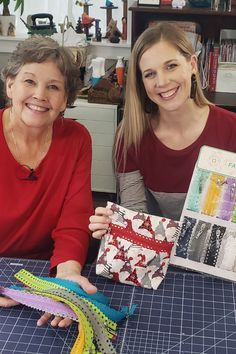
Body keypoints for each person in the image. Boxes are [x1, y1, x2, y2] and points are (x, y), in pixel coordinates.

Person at [89, 22, 236, 239]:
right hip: (153, 256)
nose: (162, 82)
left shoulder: (231, 128)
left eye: (171, 66)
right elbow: (134, 216)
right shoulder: (130, 135)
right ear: (141, 83)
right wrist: (117, 225)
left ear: (193, 65)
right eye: (149, 74)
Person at [0, 35, 97, 326]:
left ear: (66, 100)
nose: (40, 94)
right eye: (29, 81)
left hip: (46, 268)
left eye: (53, 87)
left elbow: (75, 219)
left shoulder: (77, 140)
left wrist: (66, 277)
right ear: (10, 85)